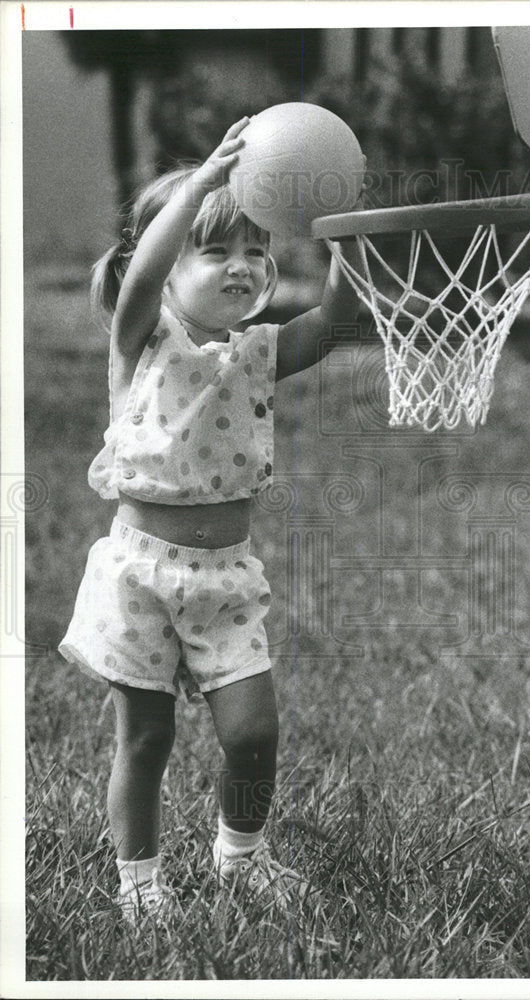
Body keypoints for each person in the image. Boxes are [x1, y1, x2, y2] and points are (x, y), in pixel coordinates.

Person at [59, 117, 363, 923]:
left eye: (256, 251)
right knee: (146, 740)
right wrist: (201, 185)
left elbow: (333, 324)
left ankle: (240, 855)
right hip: (139, 576)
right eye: (215, 249)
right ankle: (141, 884)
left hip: (225, 577)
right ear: (164, 268)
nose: (242, 265)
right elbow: (139, 277)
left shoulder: (258, 351)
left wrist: (343, 240)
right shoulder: (142, 340)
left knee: (254, 731)